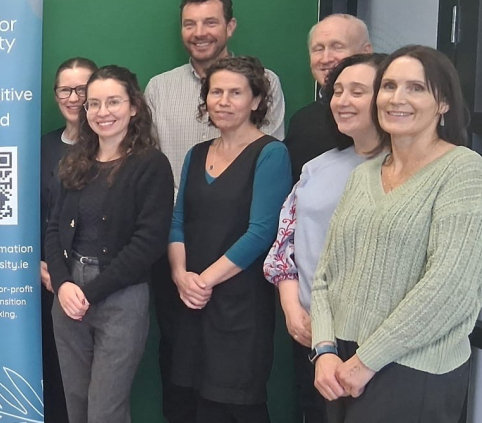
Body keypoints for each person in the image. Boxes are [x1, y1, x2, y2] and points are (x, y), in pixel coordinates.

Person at [310, 45, 482, 423]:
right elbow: (325, 276)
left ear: (444, 104)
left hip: (413, 370)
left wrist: (366, 361)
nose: (397, 98)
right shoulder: (363, 175)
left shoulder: (463, 171)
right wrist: (323, 350)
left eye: (416, 88)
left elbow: (451, 287)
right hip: (341, 365)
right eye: (388, 86)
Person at [163, 56, 291, 422]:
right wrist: (180, 275)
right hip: (192, 301)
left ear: (255, 101)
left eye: (235, 93)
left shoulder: (271, 153)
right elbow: (178, 220)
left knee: (238, 405)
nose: (223, 100)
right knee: (197, 403)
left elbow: (261, 232)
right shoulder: (196, 154)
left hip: (241, 306)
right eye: (216, 92)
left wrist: (204, 281)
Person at [43, 65, 174, 423]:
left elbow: (148, 243)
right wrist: (63, 283)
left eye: (113, 101)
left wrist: (92, 291)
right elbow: (53, 229)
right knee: (77, 403)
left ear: (134, 107)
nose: (103, 112)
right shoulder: (74, 163)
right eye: (94, 103)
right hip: (69, 297)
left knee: (105, 410)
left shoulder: (151, 165)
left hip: (121, 298)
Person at [262, 53, 386, 423]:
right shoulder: (319, 165)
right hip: (309, 333)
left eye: (358, 91)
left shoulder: (407, 170)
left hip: (373, 343)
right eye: (338, 91)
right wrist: (292, 309)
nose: (343, 101)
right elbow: (285, 243)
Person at [145, 0, 286, 186]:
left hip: (242, 211)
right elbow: (149, 166)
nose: (199, 33)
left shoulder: (264, 82)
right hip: (171, 211)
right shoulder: (158, 88)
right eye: (190, 24)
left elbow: (270, 164)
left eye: (210, 22)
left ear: (230, 27)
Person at [39, 56, 96, 423]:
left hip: (99, 285)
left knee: (97, 388)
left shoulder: (112, 147)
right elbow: (31, 212)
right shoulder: (42, 147)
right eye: (66, 89)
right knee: (57, 381)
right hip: (48, 280)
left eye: (83, 89)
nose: (74, 97)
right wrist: (43, 267)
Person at [285, 14, 373, 182]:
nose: (326, 58)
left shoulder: (386, 117)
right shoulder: (301, 121)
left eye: (337, 47)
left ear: (365, 52)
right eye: (318, 49)